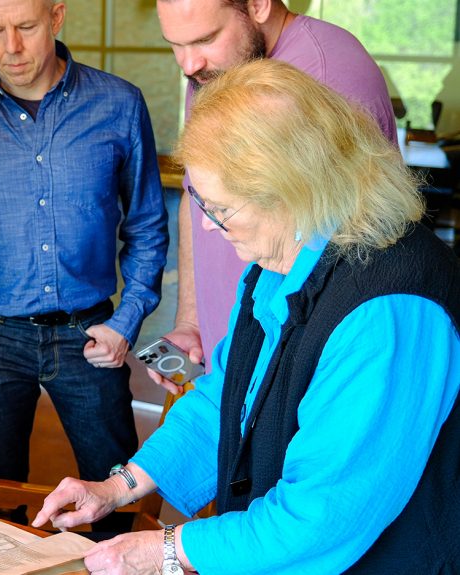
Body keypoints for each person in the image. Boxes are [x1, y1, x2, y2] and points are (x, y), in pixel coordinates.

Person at [33, 59, 460, 574]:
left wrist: (165, 552)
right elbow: (226, 399)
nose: (210, 227)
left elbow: (318, 520)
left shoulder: (387, 313)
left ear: (293, 192)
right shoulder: (282, 257)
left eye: (222, 209)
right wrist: (116, 487)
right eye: (201, 201)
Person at [0, 0, 168, 524]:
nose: (11, 47)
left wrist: (127, 319)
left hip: (90, 333)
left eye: (25, 27)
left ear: (55, 17)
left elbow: (146, 225)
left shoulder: (118, 104)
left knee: (114, 489)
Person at [152, 0, 398, 384]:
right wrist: (191, 320)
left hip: (291, 370)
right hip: (228, 359)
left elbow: (358, 251)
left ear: (258, 5)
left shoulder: (331, 73)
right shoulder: (214, 71)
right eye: (175, 44)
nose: (187, 64)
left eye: (205, 39)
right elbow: (193, 196)